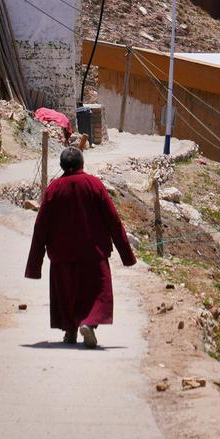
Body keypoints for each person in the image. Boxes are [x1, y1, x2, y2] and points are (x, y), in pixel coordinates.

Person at [24, 145, 136, 347]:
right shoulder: (94, 184)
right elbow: (113, 220)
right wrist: (126, 255)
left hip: (61, 255)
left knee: (66, 293)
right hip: (93, 253)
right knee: (96, 293)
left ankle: (70, 330)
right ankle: (89, 324)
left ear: (62, 165)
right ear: (82, 164)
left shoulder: (53, 189)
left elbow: (40, 228)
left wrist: (34, 266)